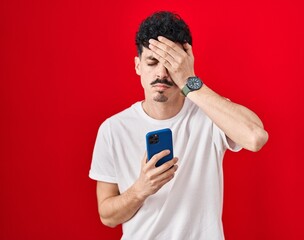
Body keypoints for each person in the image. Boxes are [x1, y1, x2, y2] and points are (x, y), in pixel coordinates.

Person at [89, 11, 268, 240]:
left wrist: (190, 82)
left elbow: (255, 137)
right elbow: (107, 216)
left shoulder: (208, 114)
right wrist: (141, 189)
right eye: (152, 62)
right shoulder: (112, 130)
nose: (161, 74)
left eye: (171, 65)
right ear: (137, 66)